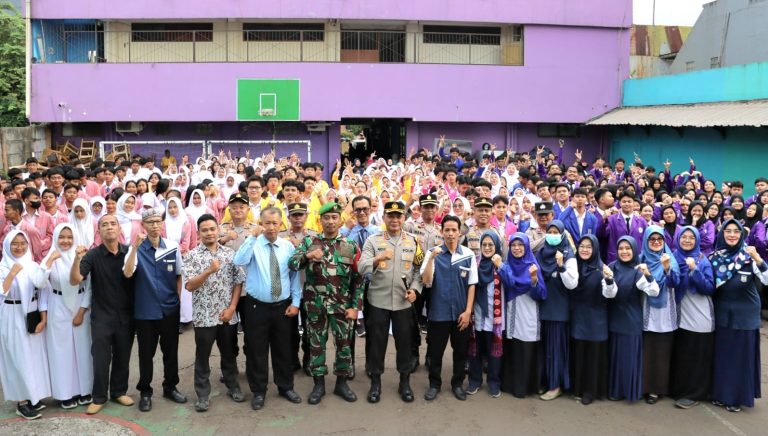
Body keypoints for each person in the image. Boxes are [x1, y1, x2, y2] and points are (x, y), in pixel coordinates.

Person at [289, 202, 363, 405]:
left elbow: (358, 279)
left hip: (342, 306)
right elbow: (292, 264)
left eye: (334, 217)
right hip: (316, 306)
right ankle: (318, 384)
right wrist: (307, 255)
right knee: (316, 346)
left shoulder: (350, 246)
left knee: (344, 345)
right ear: (320, 220)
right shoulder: (309, 242)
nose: (330, 221)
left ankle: (341, 383)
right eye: (326, 218)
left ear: (340, 220)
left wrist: (355, 307)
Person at [233, 207, 303, 410]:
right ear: (260, 223)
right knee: (257, 351)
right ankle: (258, 391)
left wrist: (296, 303)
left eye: (275, 223)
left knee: (284, 349)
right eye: (266, 223)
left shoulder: (287, 247)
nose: (271, 227)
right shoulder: (253, 245)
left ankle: (285, 386)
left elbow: (294, 277)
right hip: (257, 307)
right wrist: (252, 237)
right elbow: (239, 261)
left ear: (281, 224)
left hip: (283, 308)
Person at [359, 201, 424, 403]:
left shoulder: (414, 241)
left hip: (403, 303)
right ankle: (375, 382)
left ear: (404, 218)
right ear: (384, 218)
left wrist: (415, 289)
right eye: (390, 216)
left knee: (404, 344)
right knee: (376, 344)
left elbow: (418, 272)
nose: (395, 220)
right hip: (378, 301)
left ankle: (404, 382)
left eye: (398, 216)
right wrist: (377, 259)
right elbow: (361, 267)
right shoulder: (373, 240)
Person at [123, 208, 187, 412]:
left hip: (169, 309)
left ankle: (170, 387)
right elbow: (127, 272)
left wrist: (176, 300)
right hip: (145, 311)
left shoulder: (172, 247)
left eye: (158, 221)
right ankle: (145, 391)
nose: (154, 225)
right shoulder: (134, 249)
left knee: (170, 352)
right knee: (145, 354)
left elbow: (178, 275)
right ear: (143, 225)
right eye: (150, 222)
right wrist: (134, 248)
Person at [70, 214, 135, 414]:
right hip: (101, 315)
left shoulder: (129, 251)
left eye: (113, 224)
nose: (109, 227)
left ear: (119, 229)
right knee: (100, 358)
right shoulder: (92, 255)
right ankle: (99, 396)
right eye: (104, 225)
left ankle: (118, 391)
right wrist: (76, 258)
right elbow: (75, 280)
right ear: (98, 231)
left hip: (126, 314)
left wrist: (135, 249)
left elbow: (130, 273)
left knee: (123, 356)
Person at [182, 214, 245, 412]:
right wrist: (208, 271)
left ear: (218, 230)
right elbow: (190, 285)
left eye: (212, 229)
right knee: (203, 356)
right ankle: (202, 394)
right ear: (199, 233)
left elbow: (238, 281)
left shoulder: (229, 254)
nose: (209, 233)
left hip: (227, 315)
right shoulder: (192, 256)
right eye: (205, 230)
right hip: (204, 316)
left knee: (229, 354)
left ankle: (232, 386)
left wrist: (232, 308)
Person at [710, 219, 768, 412]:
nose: (732, 235)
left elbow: (766, 279)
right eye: (728, 231)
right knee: (723, 357)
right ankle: (720, 395)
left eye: (736, 231)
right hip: (722, 316)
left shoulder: (749, 257)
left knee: (740, 360)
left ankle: (736, 398)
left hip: (745, 318)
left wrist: (759, 259)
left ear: (742, 235)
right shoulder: (715, 257)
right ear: (722, 234)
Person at [420, 215, 477, 401]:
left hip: (461, 314)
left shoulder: (468, 254)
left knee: (460, 352)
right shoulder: (433, 253)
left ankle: (458, 384)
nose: (451, 234)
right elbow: (426, 281)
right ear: (441, 231)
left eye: (454, 230)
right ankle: (434, 384)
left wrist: (468, 311)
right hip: (438, 313)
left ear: (460, 232)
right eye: (447, 230)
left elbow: (472, 285)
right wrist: (431, 259)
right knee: (436, 353)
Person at [40, 223, 93, 409]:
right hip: (57, 304)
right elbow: (39, 284)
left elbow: (89, 288)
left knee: (83, 348)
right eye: (61, 237)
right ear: (55, 237)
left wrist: (82, 311)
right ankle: (65, 393)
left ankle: (85, 389)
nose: (65, 241)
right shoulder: (51, 256)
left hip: (80, 305)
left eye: (69, 237)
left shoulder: (83, 256)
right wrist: (48, 264)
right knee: (61, 350)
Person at [0, 230, 51, 420]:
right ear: (7, 246)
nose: (19, 247)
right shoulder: (3, 267)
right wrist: (12, 274)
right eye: (15, 243)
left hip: (31, 313)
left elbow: (41, 288)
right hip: (11, 314)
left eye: (23, 243)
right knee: (17, 357)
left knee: (32, 356)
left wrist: (43, 318)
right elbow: (2, 291)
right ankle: (21, 402)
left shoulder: (32, 265)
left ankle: (32, 396)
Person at [603, 236, 659, 402]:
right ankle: (615, 390)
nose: (624, 251)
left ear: (634, 249)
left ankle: (628, 390)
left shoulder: (638, 269)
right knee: (615, 357)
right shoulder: (612, 267)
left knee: (628, 357)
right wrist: (609, 280)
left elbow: (654, 291)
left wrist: (648, 274)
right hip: (614, 318)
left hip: (631, 319)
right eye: (621, 248)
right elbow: (608, 294)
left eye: (628, 248)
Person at [670, 226, 715, 409]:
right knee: (683, 355)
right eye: (684, 237)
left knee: (697, 356)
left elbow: (709, 287)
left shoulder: (703, 260)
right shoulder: (673, 257)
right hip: (680, 315)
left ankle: (696, 393)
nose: (687, 240)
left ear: (697, 240)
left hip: (699, 314)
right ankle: (680, 390)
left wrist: (695, 270)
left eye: (691, 237)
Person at [497, 232, 546, 398]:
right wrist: (503, 267)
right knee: (514, 346)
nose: (517, 249)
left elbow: (541, 294)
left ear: (526, 247)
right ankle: (511, 385)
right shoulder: (507, 265)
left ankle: (527, 386)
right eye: (513, 245)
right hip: (513, 312)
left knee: (527, 347)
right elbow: (510, 282)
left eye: (521, 245)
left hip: (529, 313)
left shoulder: (533, 266)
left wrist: (533, 279)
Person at [536, 219, 578, 401]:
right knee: (545, 349)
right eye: (550, 231)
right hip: (542, 308)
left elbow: (572, 283)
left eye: (556, 232)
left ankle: (556, 385)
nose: (552, 235)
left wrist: (560, 266)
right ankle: (546, 381)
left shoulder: (568, 255)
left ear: (562, 234)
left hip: (558, 310)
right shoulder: (541, 253)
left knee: (556, 349)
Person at [639, 225, 680, 405]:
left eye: (659, 240)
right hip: (645, 309)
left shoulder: (669, 257)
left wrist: (666, 268)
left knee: (662, 351)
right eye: (652, 240)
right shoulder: (641, 258)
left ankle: (657, 388)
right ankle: (644, 386)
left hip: (665, 311)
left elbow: (675, 282)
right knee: (646, 350)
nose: (656, 243)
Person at [569, 234, 608, 405]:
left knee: (593, 355)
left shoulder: (602, 269)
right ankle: (577, 387)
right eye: (582, 246)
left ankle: (591, 391)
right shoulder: (573, 265)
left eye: (589, 246)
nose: (584, 250)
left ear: (595, 249)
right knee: (579, 352)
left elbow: (609, 294)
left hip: (595, 318)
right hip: (578, 315)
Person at [466, 231, 506, 398]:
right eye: (484, 245)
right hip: (477, 316)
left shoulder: (500, 265)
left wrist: (502, 267)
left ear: (496, 246)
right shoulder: (475, 263)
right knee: (474, 351)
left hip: (495, 318)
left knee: (494, 351)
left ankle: (494, 382)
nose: (487, 248)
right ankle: (474, 381)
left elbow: (510, 283)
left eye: (491, 245)